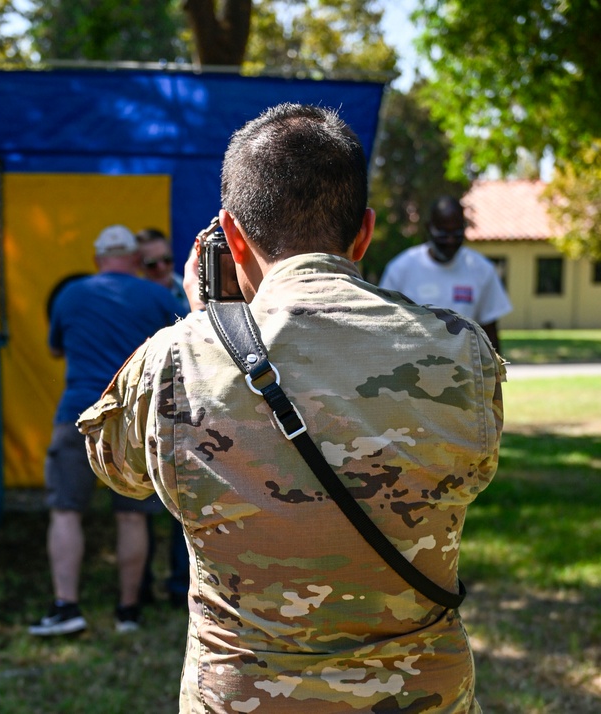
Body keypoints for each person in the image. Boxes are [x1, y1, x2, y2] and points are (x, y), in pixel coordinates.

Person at [78, 105, 504, 712]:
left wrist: (204, 325)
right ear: (363, 233)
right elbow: (475, 473)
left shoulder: (177, 358)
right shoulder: (463, 351)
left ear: (229, 235)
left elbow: (115, 468)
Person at [29, 224, 182, 636]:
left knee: (65, 511)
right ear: (135, 259)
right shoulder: (157, 295)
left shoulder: (70, 294)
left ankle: (67, 607)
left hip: (76, 413)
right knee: (132, 517)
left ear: (97, 260)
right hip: (133, 417)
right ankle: (128, 612)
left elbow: (55, 348)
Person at [134, 227, 191, 609]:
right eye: (151, 263)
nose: (160, 268)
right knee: (136, 507)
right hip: (143, 410)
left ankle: (177, 586)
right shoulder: (131, 298)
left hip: (184, 411)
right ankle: (138, 588)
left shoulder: (185, 291)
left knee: (179, 504)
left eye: (165, 260)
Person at [379, 195, 512, 351]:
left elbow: (490, 333)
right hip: (413, 370)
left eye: (456, 233)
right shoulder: (400, 269)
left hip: (465, 371)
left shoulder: (481, 269)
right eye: (443, 233)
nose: (450, 241)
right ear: (429, 228)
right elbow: (384, 327)